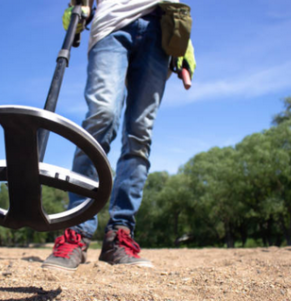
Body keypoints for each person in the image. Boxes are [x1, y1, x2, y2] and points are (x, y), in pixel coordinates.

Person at [42, 0, 196, 272]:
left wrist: (185, 47)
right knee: (102, 117)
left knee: (140, 133)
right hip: (110, 26)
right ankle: (76, 231)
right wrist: (78, 11)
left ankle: (119, 235)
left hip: (160, 31)